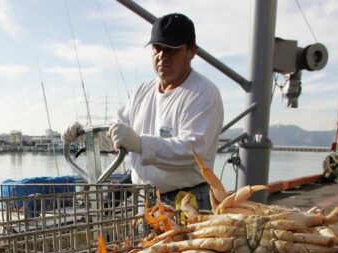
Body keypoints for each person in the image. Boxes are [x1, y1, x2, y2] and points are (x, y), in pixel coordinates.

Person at [62, 13, 223, 210]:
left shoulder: (203, 93)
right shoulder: (142, 91)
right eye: (157, 48)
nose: (163, 56)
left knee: (184, 242)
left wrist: (139, 144)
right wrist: (84, 136)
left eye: (171, 49)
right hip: (145, 202)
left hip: (188, 201)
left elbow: (193, 151)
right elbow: (116, 135)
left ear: (192, 51)